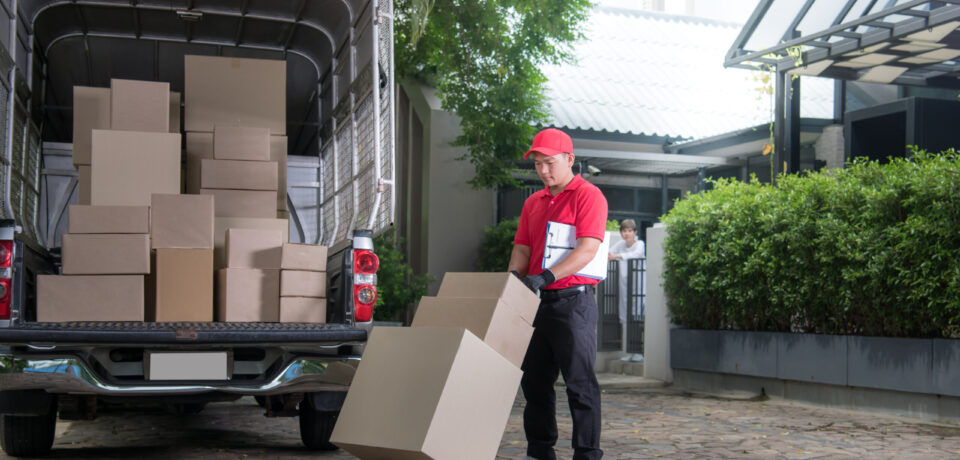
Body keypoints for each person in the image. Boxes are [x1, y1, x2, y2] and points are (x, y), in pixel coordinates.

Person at [508, 127, 608, 460]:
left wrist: (546, 276)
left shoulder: (588, 195)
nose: (543, 171)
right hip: (535, 305)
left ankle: (587, 453)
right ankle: (539, 452)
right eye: (537, 164)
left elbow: (588, 248)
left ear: (569, 159)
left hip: (573, 303)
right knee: (534, 384)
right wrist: (511, 280)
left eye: (549, 163)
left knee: (580, 384)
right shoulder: (533, 202)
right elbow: (522, 248)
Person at [607, 219, 645, 362]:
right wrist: (611, 255)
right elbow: (610, 251)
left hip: (637, 288)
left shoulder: (640, 244)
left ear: (635, 232)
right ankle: (629, 351)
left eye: (629, 231)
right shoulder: (621, 244)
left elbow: (635, 254)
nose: (626, 233)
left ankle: (638, 352)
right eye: (624, 231)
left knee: (636, 317)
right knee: (626, 318)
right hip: (624, 288)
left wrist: (616, 256)